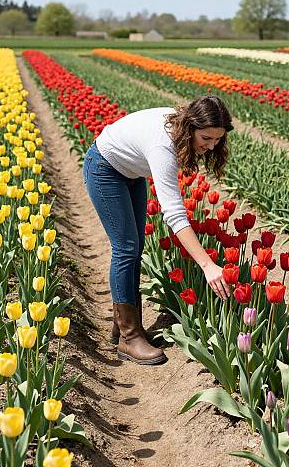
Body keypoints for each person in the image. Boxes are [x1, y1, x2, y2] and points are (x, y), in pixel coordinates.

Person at [82, 95, 233, 365]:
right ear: (191, 127)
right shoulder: (163, 145)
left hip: (129, 173)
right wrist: (208, 265)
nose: (211, 147)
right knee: (126, 248)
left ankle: (123, 321)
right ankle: (129, 338)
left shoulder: (182, 127)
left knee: (136, 247)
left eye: (217, 140)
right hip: (104, 169)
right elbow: (174, 212)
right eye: (206, 139)